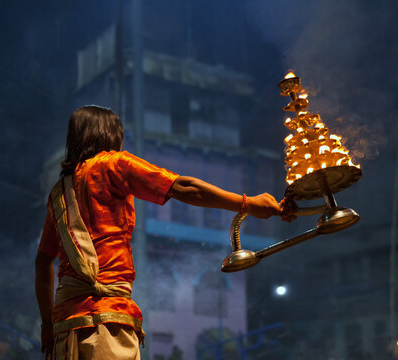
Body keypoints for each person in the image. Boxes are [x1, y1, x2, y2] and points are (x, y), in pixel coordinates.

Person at [35, 105, 286, 359]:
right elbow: (183, 187)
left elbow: (43, 261)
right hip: (105, 324)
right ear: (110, 135)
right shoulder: (114, 165)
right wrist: (247, 203)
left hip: (64, 333)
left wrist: (47, 325)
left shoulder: (59, 194)